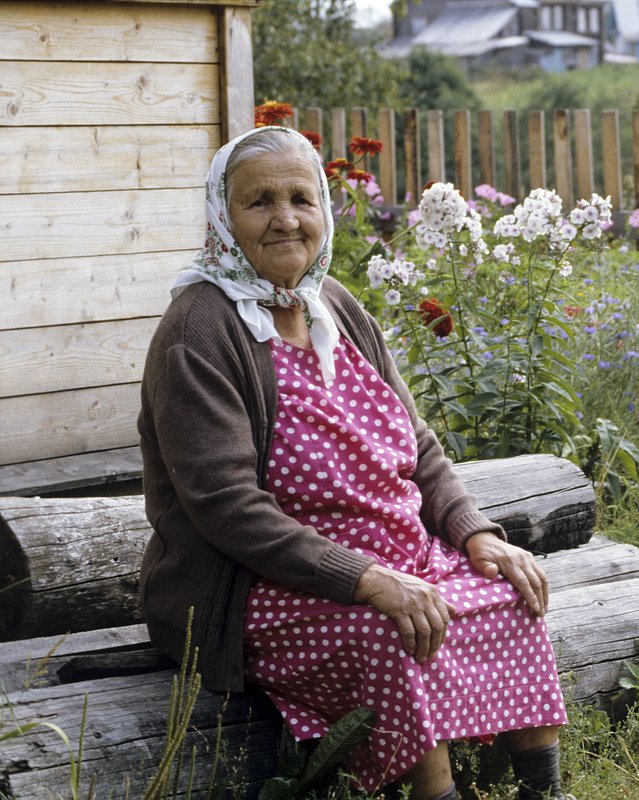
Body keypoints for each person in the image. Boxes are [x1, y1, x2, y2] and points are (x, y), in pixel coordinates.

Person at [138, 126, 569, 800]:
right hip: (263, 586)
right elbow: (227, 506)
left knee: (515, 594)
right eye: (259, 203)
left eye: (301, 199)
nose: (285, 219)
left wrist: (475, 532)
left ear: (323, 212)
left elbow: (417, 443)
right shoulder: (199, 329)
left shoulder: (331, 302)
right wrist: (367, 579)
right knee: (392, 630)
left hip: (399, 558)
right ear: (223, 216)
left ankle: (543, 791)